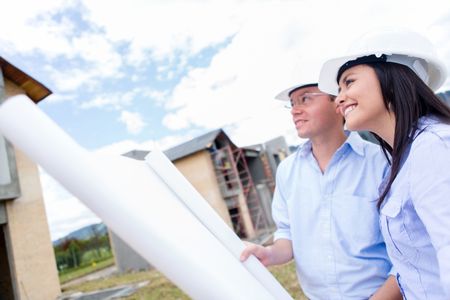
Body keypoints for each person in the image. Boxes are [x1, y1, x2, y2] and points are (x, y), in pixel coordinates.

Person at [240, 76, 401, 299]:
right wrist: (269, 253)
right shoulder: (287, 171)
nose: (294, 111)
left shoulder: (381, 163)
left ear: (338, 102)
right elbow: (287, 235)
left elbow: (409, 253)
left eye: (305, 99)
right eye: (292, 103)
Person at [318, 28, 450, 299]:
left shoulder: (435, 146)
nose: (339, 99)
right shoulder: (402, 162)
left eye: (349, 82)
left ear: (392, 76)